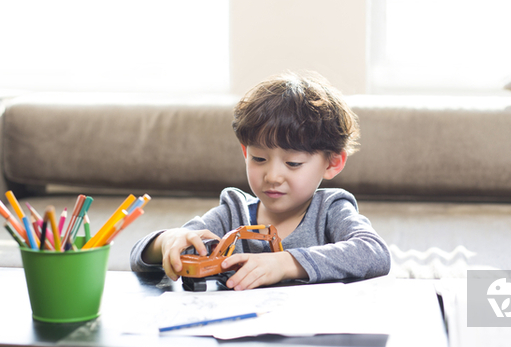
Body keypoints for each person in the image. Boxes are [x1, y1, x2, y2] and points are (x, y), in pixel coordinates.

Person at [130, 72, 391, 290]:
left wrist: (284, 263)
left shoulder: (330, 211)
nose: (273, 176)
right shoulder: (232, 214)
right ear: (245, 153)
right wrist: (167, 241)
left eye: (293, 164)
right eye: (258, 159)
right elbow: (138, 258)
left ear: (332, 163)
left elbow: (374, 252)